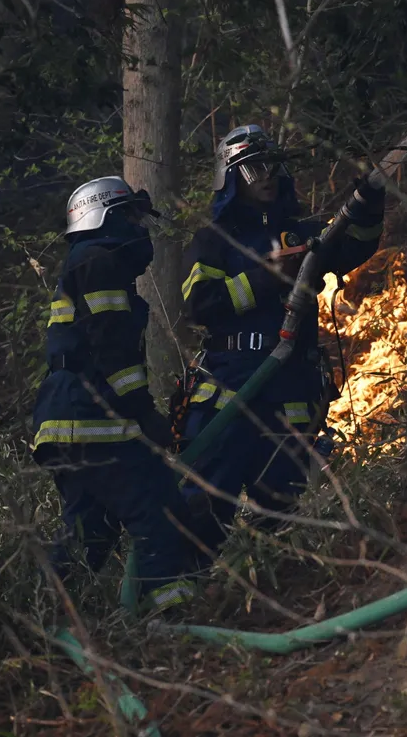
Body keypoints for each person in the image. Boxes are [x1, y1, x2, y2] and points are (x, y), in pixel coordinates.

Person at [178, 124, 385, 560]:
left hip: (291, 393)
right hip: (231, 394)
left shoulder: (303, 233)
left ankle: (276, 593)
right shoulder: (214, 241)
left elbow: (355, 249)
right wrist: (266, 277)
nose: (266, 176)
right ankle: (192, 598)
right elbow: (200, 306)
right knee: (204, 508)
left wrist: (368, 208)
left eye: (270, 166)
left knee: (284, 513)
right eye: (253, 170)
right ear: (231, 178)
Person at [31, 176, 201, 614]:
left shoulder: (88, 262)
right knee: (158, 507)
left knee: (89, 530)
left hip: (70, 420)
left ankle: (40, 623)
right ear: (106, 216)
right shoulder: (97, 261)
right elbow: (111, 346)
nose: (138, 227)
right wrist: (144, 414)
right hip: (93, 419)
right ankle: (171, 618)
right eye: (130, 216)